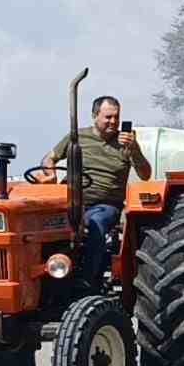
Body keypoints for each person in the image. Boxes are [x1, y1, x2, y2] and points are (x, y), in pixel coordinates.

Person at [43, 95, 151, 289]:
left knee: (95, 223)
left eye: (116, 117)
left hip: (106, 205)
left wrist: (134, 148)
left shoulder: (126, 143)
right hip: (71, 201)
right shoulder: (77, 137)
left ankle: (89, 281)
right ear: (95, 116)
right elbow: (49, 158)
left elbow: (145, 174)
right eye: (108, 117)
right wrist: (50, 174)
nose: (113, 122)